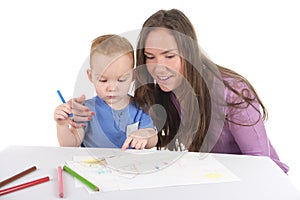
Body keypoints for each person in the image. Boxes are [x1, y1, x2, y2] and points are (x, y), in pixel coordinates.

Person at [69, 9, 289, 173]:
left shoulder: (233, 93)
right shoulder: (160, 94)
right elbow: (124, 111)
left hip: (258, 182)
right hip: (211, 178)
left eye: (170, 56)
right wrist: (82, 113)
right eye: (150, 57)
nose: (158, 67)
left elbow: (261, 166)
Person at [54, 34, 158, 150]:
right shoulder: (85, 110)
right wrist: (62, 126)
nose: (112, 88)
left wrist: (145, 135)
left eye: (121, 79)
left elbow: (153, 140)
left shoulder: (140, 107)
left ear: (133, 75)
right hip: (92, 166)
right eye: (103, 80)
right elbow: (70, 145)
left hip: (128, 166)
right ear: (91, 76)